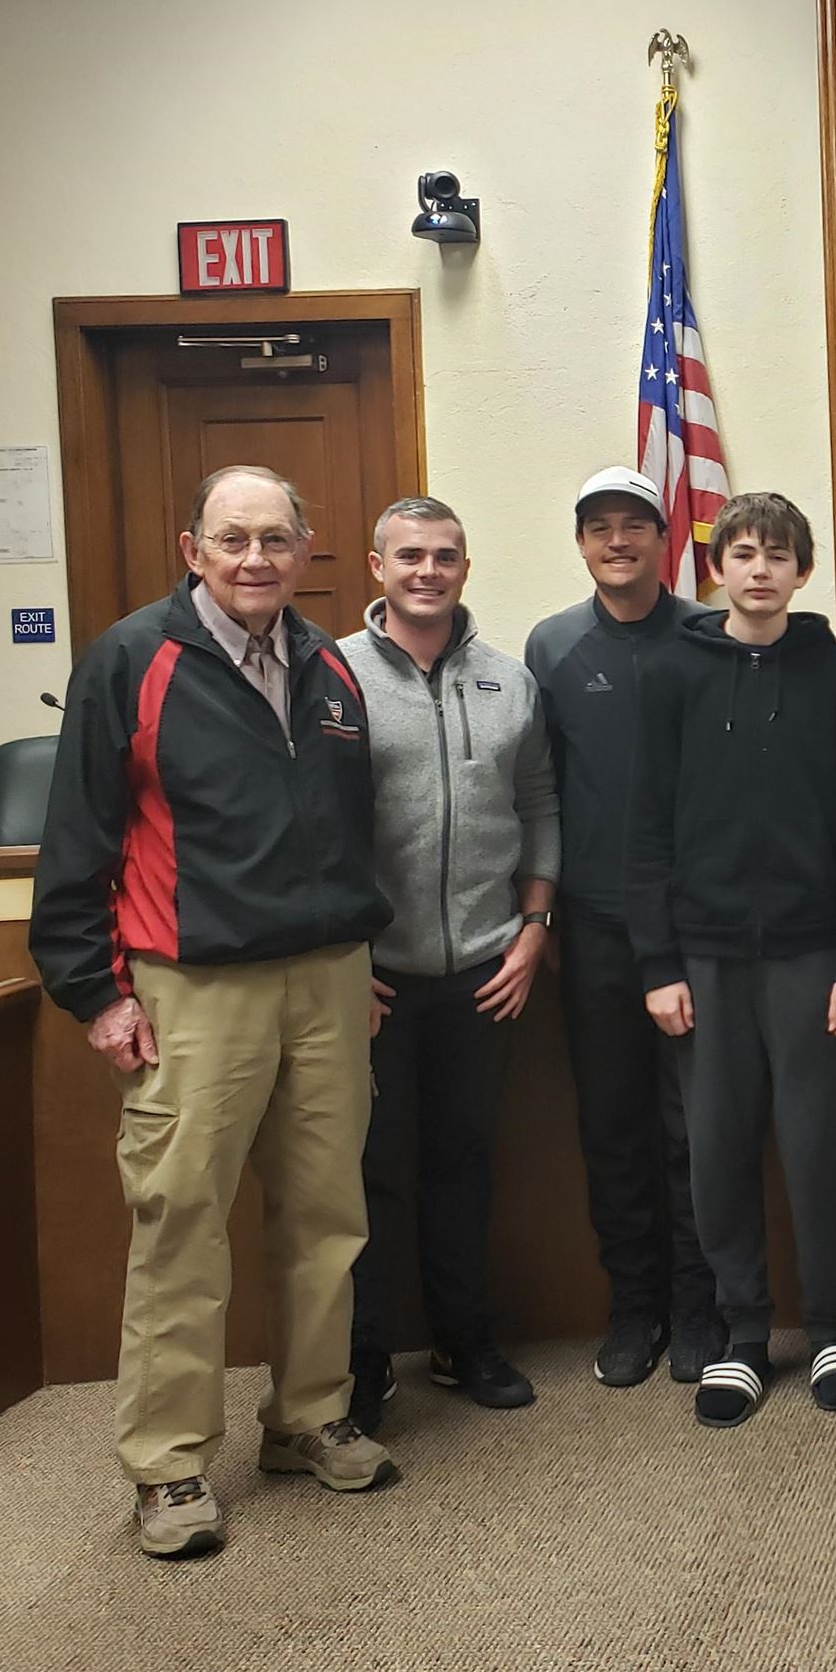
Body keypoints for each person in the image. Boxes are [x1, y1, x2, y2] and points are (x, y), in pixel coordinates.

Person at [31, 465, 397, 1559]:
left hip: (327, 981)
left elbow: (348, 828)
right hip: (192, 986)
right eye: (232, 539)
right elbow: (78, 838)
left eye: (275, 539)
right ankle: (169, 1467)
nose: (254, 559)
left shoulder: (330, 665)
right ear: (192, 548)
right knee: (181, 1221)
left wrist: (356, 952)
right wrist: (95, 994)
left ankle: (309, 1417)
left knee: (327, 1218)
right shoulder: (132, 661)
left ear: (304, 548)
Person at [628, 492, 836, 1426]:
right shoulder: (670, 673)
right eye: (743, 552)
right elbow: (644, 828)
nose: (760, 569)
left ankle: (828, 1328)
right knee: (717, 1146)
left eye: (779, 555)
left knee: (818, 1144)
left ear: (803, 571)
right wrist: (657, 964)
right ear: (717, 567)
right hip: (702, 956)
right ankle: (743, 1333)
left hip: (815, 953)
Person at [339, 497, 558, 1429]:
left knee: (466, 1165)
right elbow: (314, 827)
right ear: (376, 566)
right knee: (372, 1174)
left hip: (485, 968)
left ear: (466, 567)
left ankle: (463, 1341)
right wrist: (343, 956)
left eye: (446, 556)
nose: (428, 571)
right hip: (373, 978)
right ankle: (365, 1361)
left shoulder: (509, 681)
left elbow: (542, 802)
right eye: (411, 556)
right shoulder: (330, 678)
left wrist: (536, 926)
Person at [526, 467, 721, 1392]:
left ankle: (699, 1304)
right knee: (612, 1126)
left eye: (634, 525)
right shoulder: (553, 645)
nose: (617, 541)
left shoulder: (712, 636)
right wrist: (545, 910)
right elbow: (540, 791)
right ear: (581, 543)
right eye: (598, 527)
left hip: (695, 928)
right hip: (596, 925)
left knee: (695, 1128)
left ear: (662, 536)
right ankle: (633, 1306)